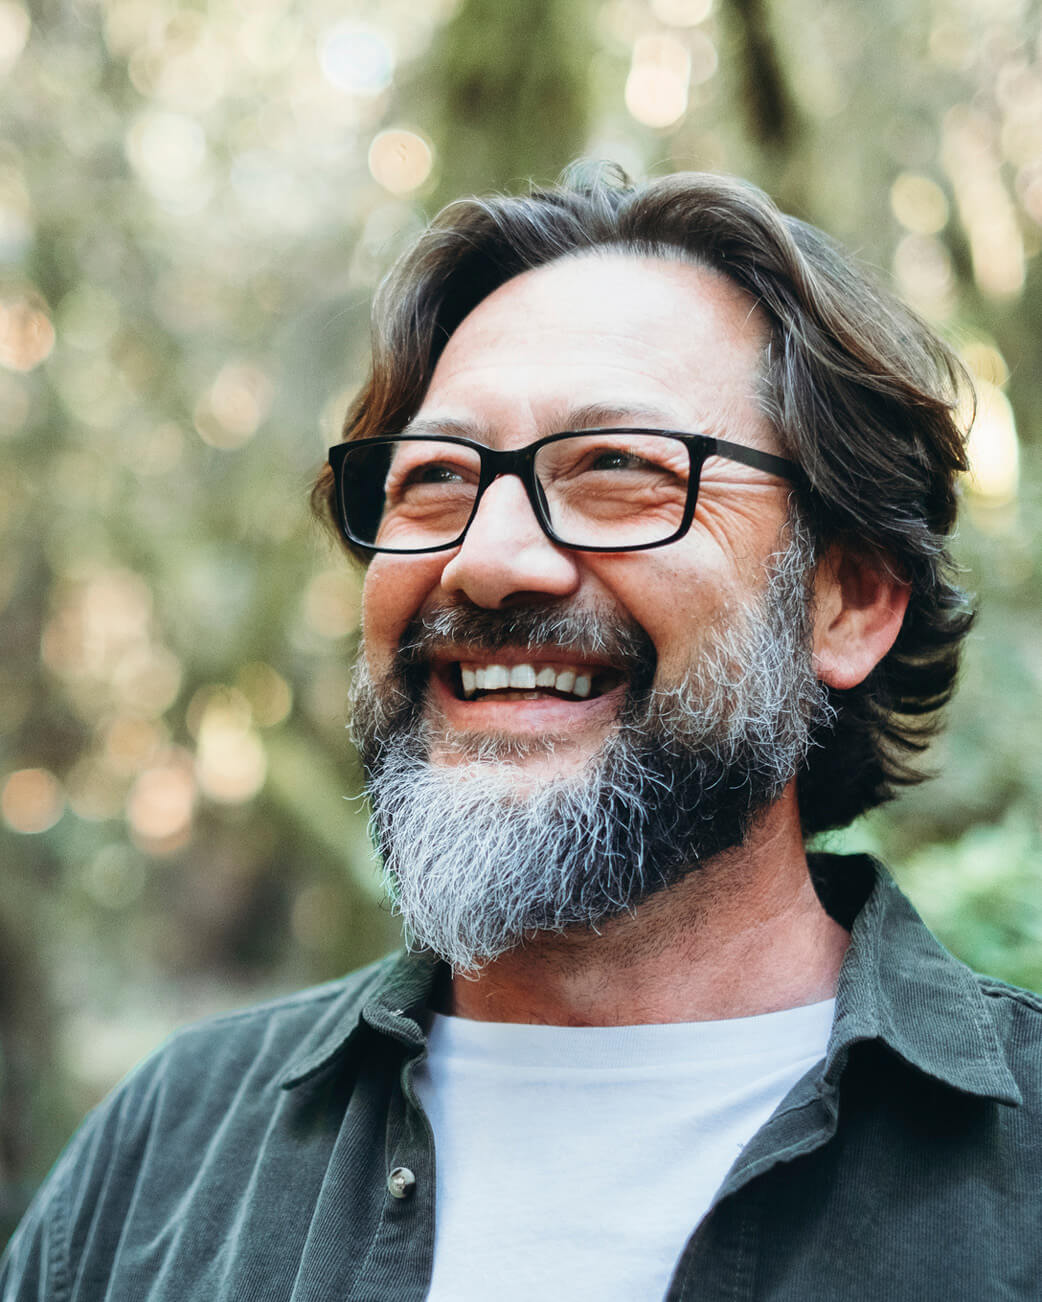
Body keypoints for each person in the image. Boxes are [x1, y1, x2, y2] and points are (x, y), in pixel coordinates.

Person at [3, 164, 1041, 1301]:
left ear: (846, 602)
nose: (487, 559)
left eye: (618, 470)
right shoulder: (167, 1151)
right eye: (434, 480)